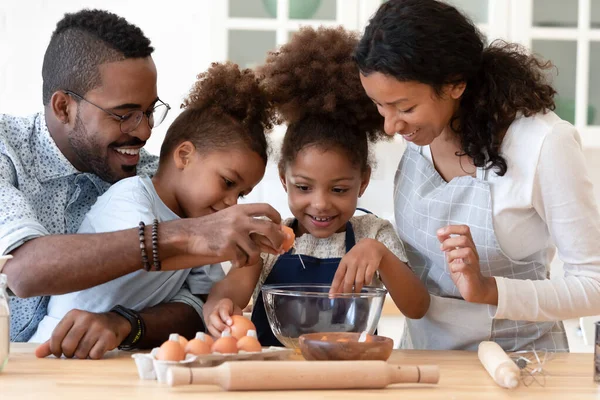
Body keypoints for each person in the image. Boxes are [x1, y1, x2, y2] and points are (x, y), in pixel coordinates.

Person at [0, 9, 284, 358]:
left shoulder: (153, 174)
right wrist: (192, 234)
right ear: (63, 107)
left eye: (150, 111)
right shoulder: (6, 151)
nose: (145, 132)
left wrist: (126, 324)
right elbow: (23, 272)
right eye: (124, 114)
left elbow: (194, 303)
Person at [355, 0, 600, 352]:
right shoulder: (421, 133)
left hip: (522, 367)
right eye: (380, 105)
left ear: (455, 85)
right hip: (425, 362)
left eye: (405, 108)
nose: (391, 125)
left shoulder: (543, 144)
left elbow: (594, 285)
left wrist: (489, 289)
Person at [203, 27, 430, 346]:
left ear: (362, 181)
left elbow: (417, 307)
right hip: (276, 376)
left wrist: (381, 256)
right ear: (284, 178)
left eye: (338, 190)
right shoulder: (271, 238)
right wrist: (219, 306)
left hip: (349, 377)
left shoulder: (373, 235)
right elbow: (231, 292)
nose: (321, 204)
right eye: (304, 187)